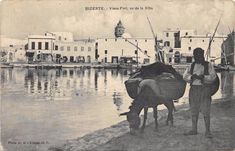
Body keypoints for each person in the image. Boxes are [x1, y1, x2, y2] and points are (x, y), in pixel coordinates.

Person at [183, 48, 216, 138]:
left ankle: (208, 131)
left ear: (202, 55)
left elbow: (213, 77)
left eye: (199, 55)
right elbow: (185, 76)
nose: (198, 57)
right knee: (194, 110)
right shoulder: (191, 65)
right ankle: (194, 129)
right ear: (194, 56)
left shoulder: (208, 65)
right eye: (196, 55)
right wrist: (191, 77)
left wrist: (203, 77)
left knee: (206, 110)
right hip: (193, 90)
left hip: (204, 90)